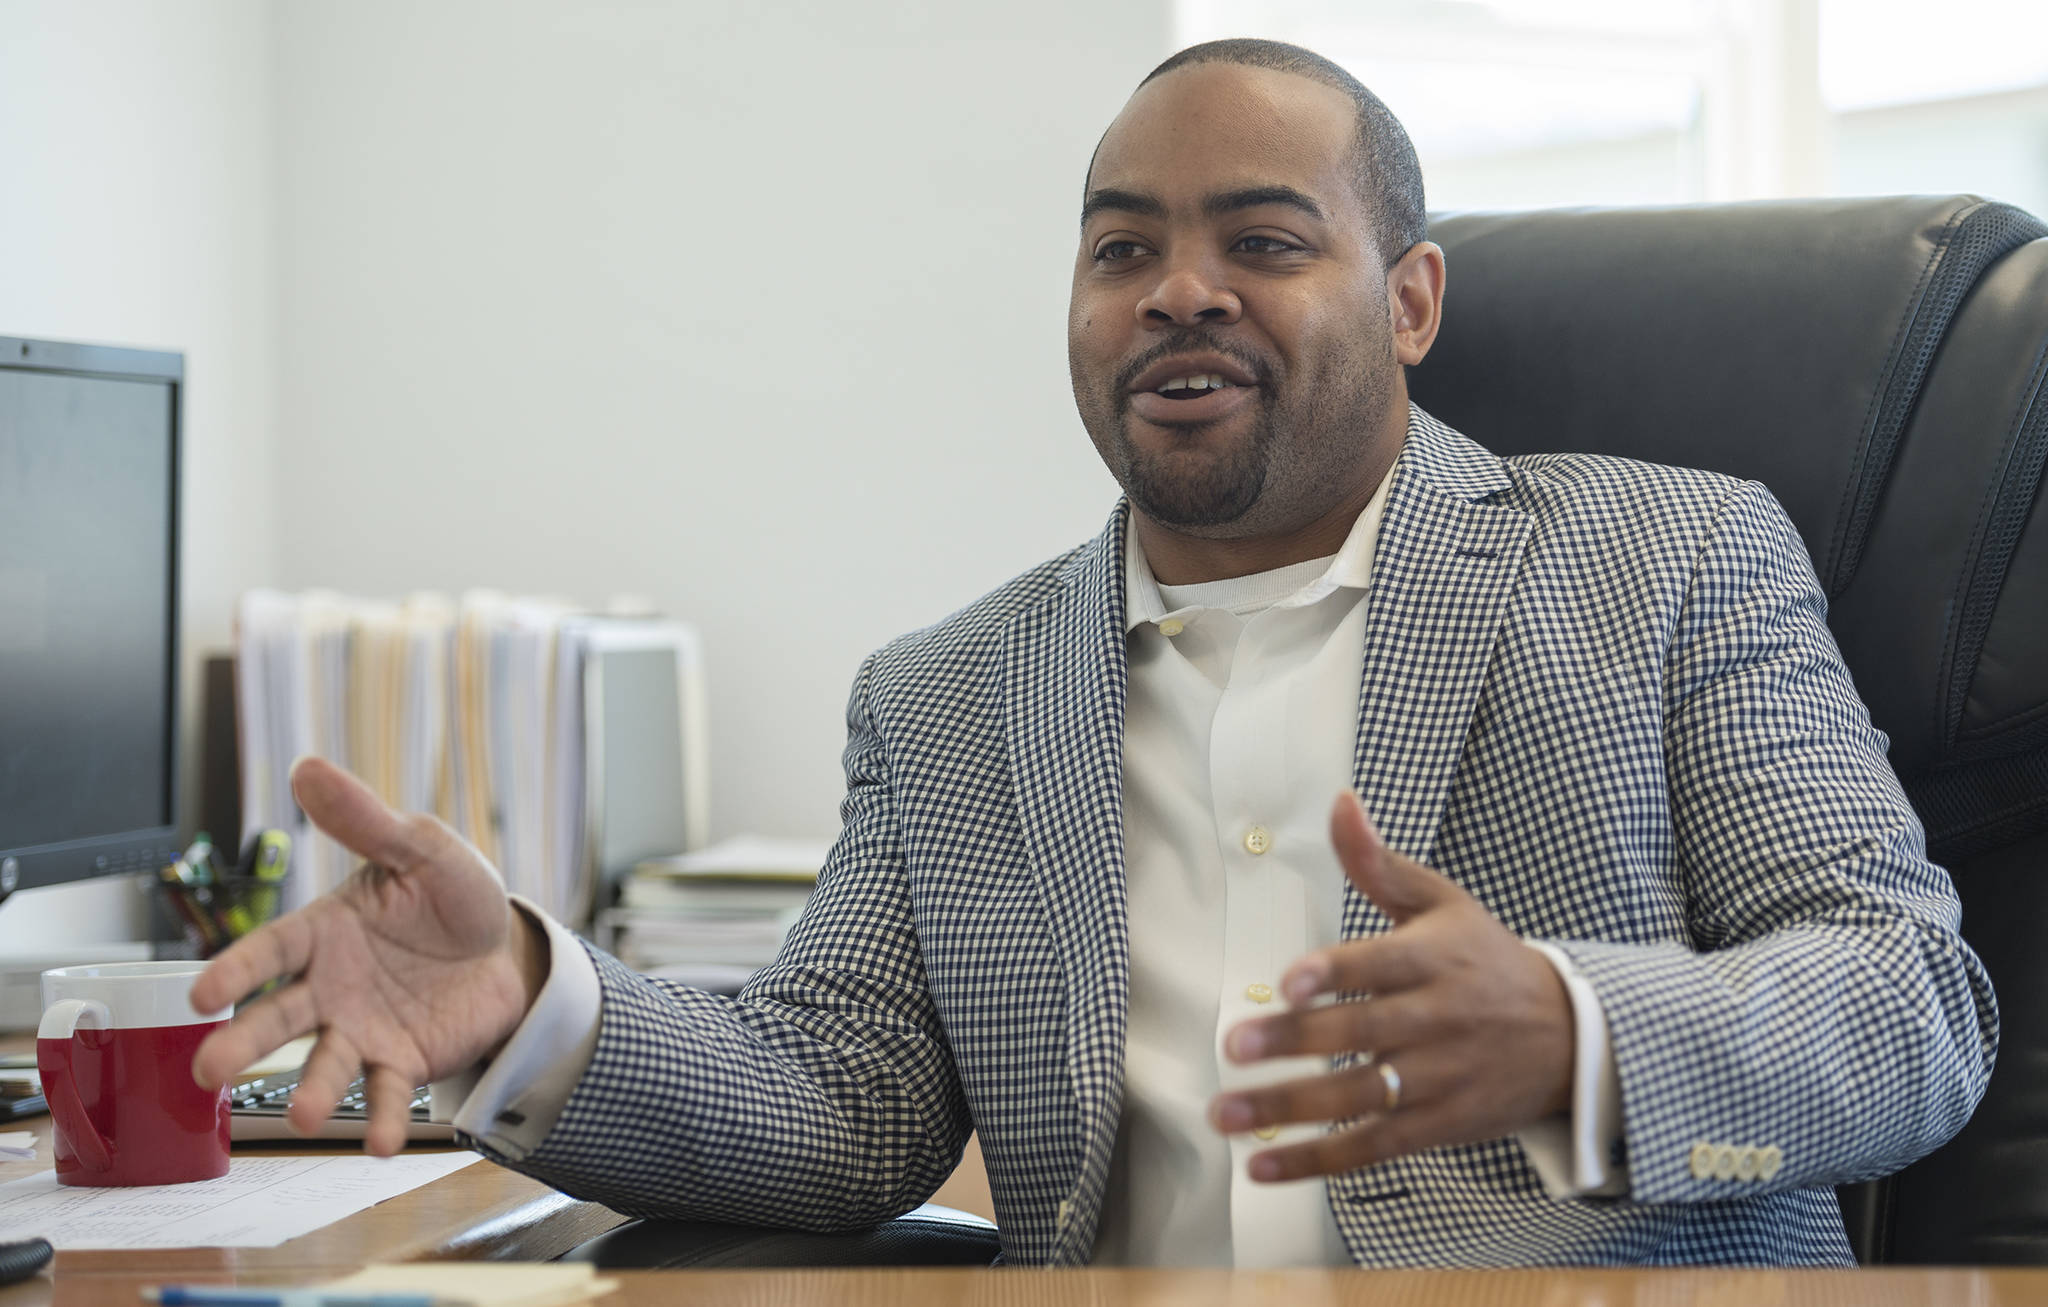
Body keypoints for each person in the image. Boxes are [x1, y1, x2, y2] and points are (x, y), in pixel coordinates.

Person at [191, 39, 1997, 1267]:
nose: (1178, 289)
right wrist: (529, 994)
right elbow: (839, 1110)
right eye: (1122, 247)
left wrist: (1576, 1036)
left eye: (1262, 240)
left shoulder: (1670, 561)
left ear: (1412, 303)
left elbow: (1913, 1004)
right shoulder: (946, 695)